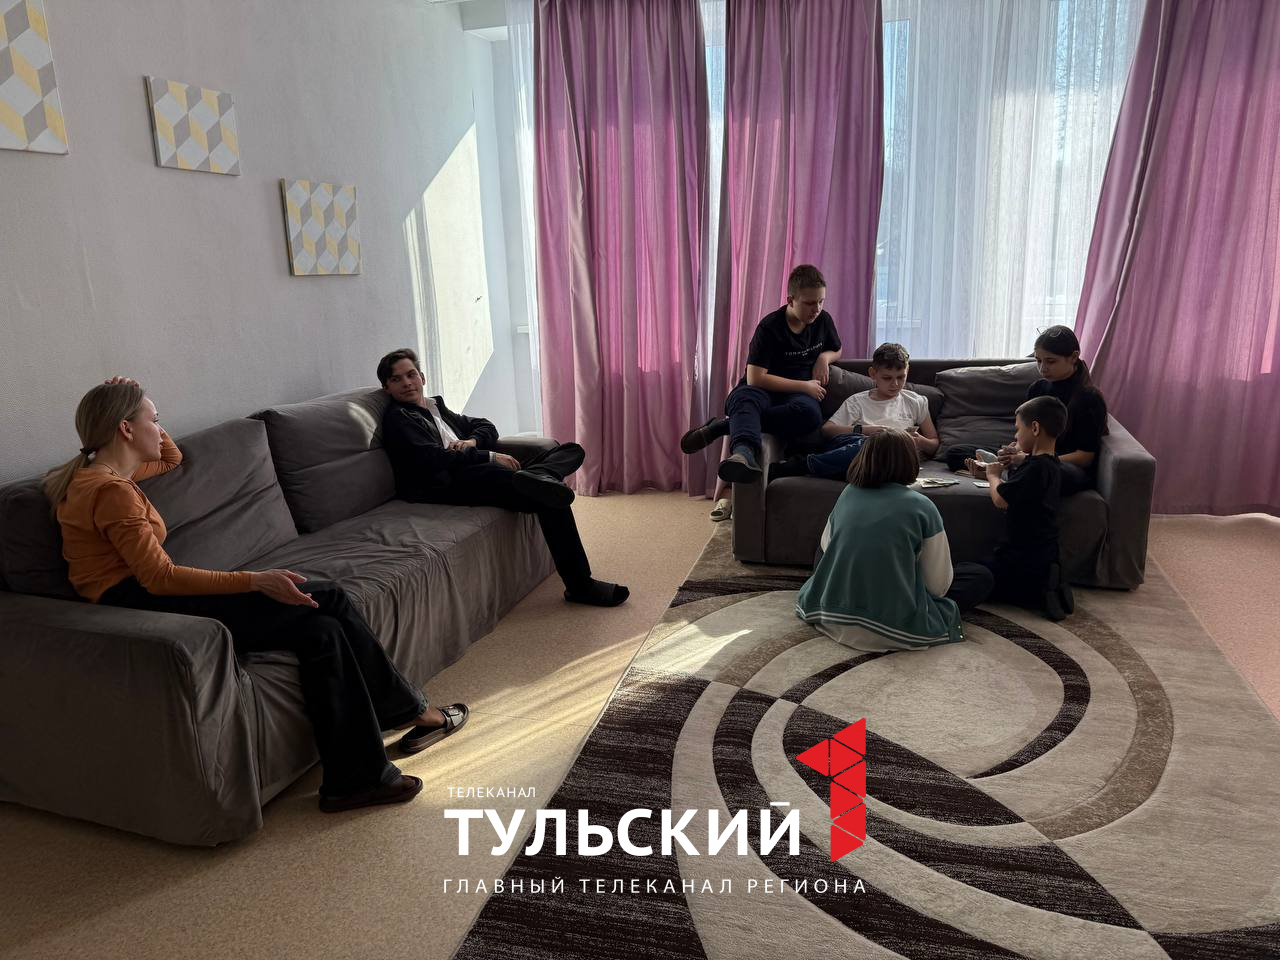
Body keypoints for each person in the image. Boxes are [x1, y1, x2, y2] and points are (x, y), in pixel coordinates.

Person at [45, 378, 464, 814]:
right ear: (126, 429)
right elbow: (159, 578)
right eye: (154, 419)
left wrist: (130, 399)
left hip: (140, 596)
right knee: (330, 597)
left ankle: (354, 780)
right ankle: (408, 712)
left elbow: (172, 457)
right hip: (145, 605)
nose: (161, 428)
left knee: (321, 631)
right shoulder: (112, 492)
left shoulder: (105, 474)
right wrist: (255, 580)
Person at [377, 348, 629, 607]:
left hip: (473, 470)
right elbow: (433, 459)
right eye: (396, 379)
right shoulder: (400, 418)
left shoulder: (435, 407)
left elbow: (486, 426)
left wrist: (471, 441)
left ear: (422, 377)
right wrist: (489, 456)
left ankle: (538, 475)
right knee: (549, 496)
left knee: (571, 450)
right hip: (447, 482)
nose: (407, 383)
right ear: (387, 388)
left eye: (411, 375)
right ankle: (581, 586)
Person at [795, 430, 993, 653]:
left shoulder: (848, 493)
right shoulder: (923, 506)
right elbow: (938, 587)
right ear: (911, 461)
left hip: (831, 615)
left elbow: (827, 547)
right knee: (978, 576)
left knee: (828, 547)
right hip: (895, 624)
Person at [680, 264, 842, 484]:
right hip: (763, 388)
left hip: (797, 397)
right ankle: (743, 455)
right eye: (809, 303)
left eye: (821, 301)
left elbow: (837, 348)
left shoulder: (823, 320)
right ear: (791, 300)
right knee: (744, 401)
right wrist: (804, 386)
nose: (817, 309)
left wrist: (824, 358)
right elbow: (755, 378)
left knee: (810, 415)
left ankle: (723, 426)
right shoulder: (770, 327)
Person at [968, 395, 1075, 621]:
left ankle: (1034, 591)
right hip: (1045, 552)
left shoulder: (1034, 468)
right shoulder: (1051, 465)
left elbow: (1001, 500)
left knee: (972, 573)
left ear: (1034, 428)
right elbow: (1019, 489)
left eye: (1017, 429)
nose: (1015, 436)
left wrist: (993, 476)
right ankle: (1048, 584)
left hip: (1020, 557)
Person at [773, 342, 940, 480]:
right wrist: (866, 430)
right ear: (873, 374)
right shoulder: (858, 401)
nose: (895, 384)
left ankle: (811, 465)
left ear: (907, 372)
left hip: (892, 459)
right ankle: (811, 465)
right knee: (868, 446)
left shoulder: (916, 402)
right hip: (859, 445)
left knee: (889, 450)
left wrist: (920, 441)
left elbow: (933, 444)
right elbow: (827, 430)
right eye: (887, 378)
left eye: (901, 377)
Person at [991, 326, 1108, 496]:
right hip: (1032, 459)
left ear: (1074, 357)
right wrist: (1014, 450)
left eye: (1050, 361)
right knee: (958, 452)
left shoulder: (1089, 398)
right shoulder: (1037, 388)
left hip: (1064, 467)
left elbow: (1085, 457)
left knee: (1039, 470)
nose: (1042, 368)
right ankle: (1009, 472)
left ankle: (1008, 476)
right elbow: (1025, 434)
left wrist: (1030, 460)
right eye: (1038, 361)